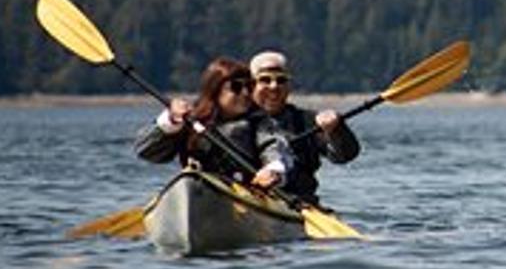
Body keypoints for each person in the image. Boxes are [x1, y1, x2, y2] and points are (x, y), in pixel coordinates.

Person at [134, 56, 295, 188]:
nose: (246, 93)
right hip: (197, 188)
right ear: (215, 89)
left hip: (245, 193)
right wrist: (170, 122)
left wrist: (274, 170)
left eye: (250, 86)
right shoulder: (190, 120)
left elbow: (273, 147)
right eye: (236, 87)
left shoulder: (260, 123)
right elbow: (146, 151)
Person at [247, 49, 360, 203]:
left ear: (289, 85)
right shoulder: (240, 121)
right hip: (248, 197)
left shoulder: (307, 121)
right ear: (252, 85)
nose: (274, 86)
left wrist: (336, 130)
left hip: (299, 203)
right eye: (265, 80)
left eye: (281, 80)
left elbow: (344, 156)